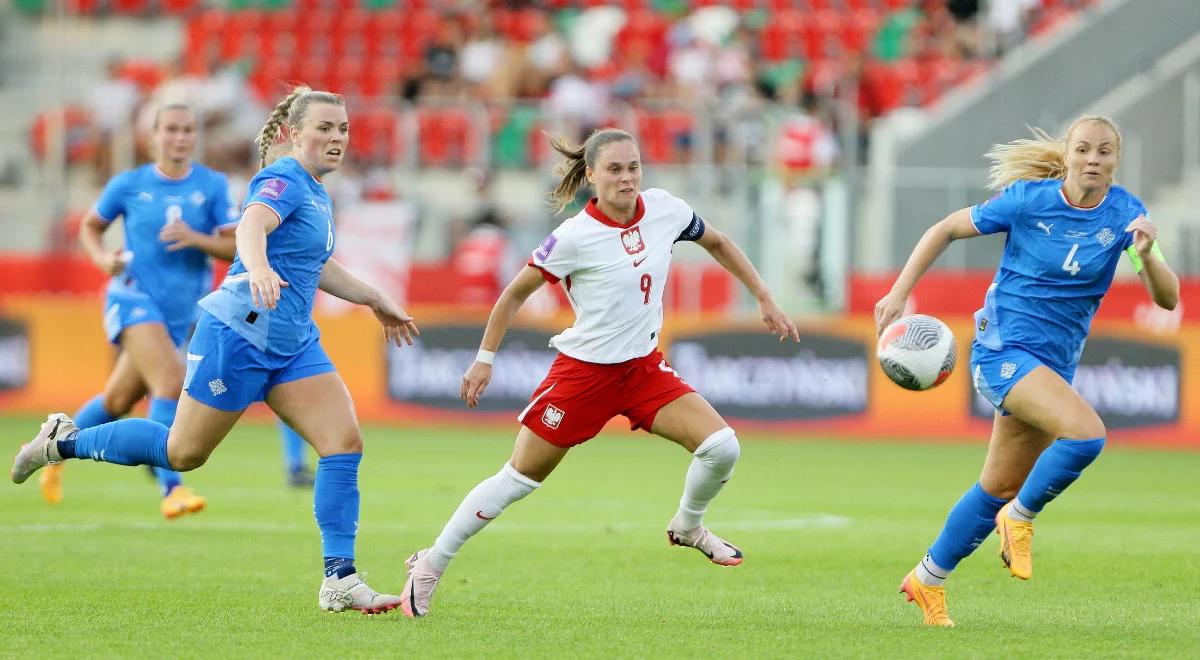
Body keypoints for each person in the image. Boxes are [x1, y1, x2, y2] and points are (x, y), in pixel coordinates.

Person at [12, 86, 420, 614]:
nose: (336, 138)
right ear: (295, 133)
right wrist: (257, 266)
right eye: (324, 128)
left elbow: (314, 264)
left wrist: (375, 298)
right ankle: (64, 441)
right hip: (239, 335)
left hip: (292, 343)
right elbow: (251, 226)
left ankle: (339, 579)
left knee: (343, 444)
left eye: (342, 128)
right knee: (183, 452)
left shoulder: (318, 191)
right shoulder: (284, 178)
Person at [397, 128, 800, 618]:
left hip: (643, 369)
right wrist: (485, 358)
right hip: (585, 375)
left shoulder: (667, 209)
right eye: (614, 168)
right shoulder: (574, 237)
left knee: (722, 448)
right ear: (591, 175)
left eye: (633, 166)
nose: (626, 177)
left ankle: (688, 527)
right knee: (519, 478)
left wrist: (763, 296)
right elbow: (514, 294)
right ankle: (430, 563)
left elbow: (717, 241)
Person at [874, 116, 1180, 627]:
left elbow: (1167, 298)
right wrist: (899, 291)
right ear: (1068, 155)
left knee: (995, 487)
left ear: (1116, 160)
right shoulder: (1028, 200)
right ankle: (1019, 519)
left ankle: (927, 580)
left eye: (1104, 151)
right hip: (1002, 352)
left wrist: (1146, 256)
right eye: (1083, 149)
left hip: (1053, 366)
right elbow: (946, 228)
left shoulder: (1128, 216)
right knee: (1085, 437)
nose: (1093, 159)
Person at [37, 103, 236, 518]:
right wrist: (99, 258)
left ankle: (50, 449)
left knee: (117, 399)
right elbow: (91, 226)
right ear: (153, 136)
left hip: (180, 311)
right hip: (132, 298)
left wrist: (194, 238)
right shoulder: (129, 184)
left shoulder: (213, 186)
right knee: (169, 382)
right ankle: (172, 488)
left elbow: (234, 245)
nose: (180, 138)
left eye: (187, 130)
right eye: (171, 130)